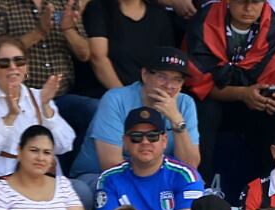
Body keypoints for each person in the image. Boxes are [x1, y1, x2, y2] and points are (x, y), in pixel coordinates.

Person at [0, 36, 79, 210]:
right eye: (4, 63)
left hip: (39, 182)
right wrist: (10, 116)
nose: (13, 67)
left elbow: (64, 145)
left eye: (19, 61)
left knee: (82, 192)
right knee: (9, 196)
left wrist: (46, 107)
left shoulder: (38, 97)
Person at [185, 0, 275, 186]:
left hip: (251, 100)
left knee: (273, 113)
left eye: (255, 2)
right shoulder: (206, 20)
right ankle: (200, 185)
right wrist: (242, 93)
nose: (248, 8)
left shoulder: (273, 26)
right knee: (206, 110)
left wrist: (272, 97)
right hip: (212, 98)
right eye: (242, 1)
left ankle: (268, 188)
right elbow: (197, 80)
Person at [93, 107, 204, 210]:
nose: (145, 142)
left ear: (164, 140)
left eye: (152, 136)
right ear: (125, 142)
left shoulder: (185, 175)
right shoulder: (109, 178)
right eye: (136, 137)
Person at [78, 50, 201, 179]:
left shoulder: (185, 103)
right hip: (101, 177)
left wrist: (176, 120)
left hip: (161, 181)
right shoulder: (116, 99)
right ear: (145, 75)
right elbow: (111, 165)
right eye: (162, 77)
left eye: (177, 80)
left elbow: (190, 167)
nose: (169, 86)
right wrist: (154, 186)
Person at [0, 0, 93, 129]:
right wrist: (38, 32)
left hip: (61, 96)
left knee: (94, 110)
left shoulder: (62, 4)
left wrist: (68, 30)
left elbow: (85, 54)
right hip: (18, 100)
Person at [84, 0, 178, 94]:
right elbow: (97, 57)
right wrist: (125, 97)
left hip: (148, 95)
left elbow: (167, 63)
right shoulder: (99, 8)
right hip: (105, 94)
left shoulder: (159, 15)